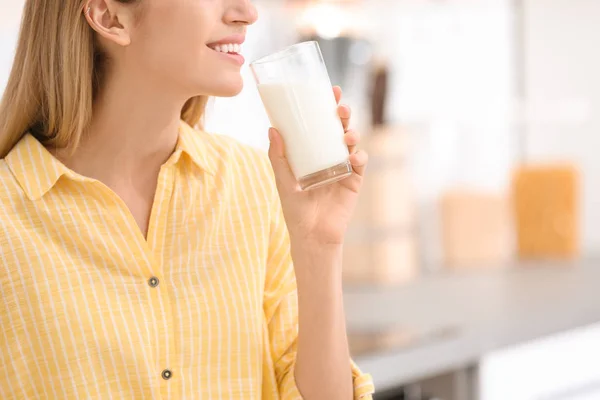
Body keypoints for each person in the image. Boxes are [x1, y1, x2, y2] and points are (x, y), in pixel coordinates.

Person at [0, 0, 374, 399]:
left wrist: (318, 246)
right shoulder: (9, 219)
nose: (247, 12)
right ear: (110, 17)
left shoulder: (250, 182)